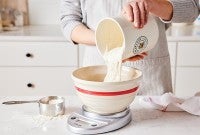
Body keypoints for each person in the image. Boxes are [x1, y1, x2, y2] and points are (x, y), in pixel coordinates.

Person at [60, 0, 199, 95]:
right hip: (99, 74)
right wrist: (105, 40)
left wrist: (152, 4)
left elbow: (191, 9)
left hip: (151, 82)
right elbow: (68, 21)